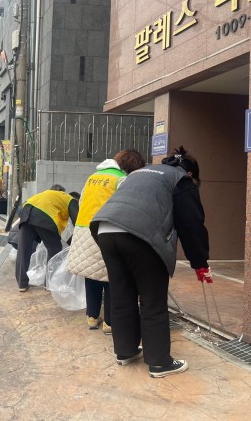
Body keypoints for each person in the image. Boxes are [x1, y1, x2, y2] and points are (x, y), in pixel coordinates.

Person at [91, 146, 210, 378]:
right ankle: (159, 362)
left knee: (122, 293)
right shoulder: (181, 180)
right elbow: (191, 224)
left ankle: (125, 351)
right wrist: (200, 262)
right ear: (191, 175)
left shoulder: (141, 173)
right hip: (139, 234)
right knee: (152, 298)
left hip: (105, 229)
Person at [66, 150, 146, 335]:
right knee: (112, 275)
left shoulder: (94, 176)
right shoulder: (120, 179)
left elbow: (83, 200)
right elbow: (125, 208)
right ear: (132, 167)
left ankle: (92, 317)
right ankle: (109, 322)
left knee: (91, 274)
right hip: (104, 230)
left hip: (83, 228)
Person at [15, 184, 79, 291]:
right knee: (55, 249)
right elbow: (77, 222)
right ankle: (49, 283)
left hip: (26, 212)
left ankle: (22, 283)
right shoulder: (71, 200)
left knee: (23, 249)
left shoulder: (49, 195)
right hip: (44, 217)